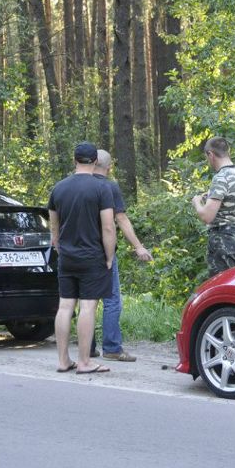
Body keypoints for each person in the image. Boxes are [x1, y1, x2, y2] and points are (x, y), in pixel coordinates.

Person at [47, 141, 116, 374]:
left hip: (67, 257)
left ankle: (63, 360)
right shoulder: (101, 188)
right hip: (92, 256)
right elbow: (108, 227)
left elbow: (54, 228)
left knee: (65, 305)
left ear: (74, 160)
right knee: (88, 307)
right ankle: (85, 362)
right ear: (95, 161)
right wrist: (109, 257)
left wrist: (60, 248)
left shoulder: (58, 188)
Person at [93, 149, 153, 362]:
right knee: (111, 300)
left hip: (80, 251)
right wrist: (138, 247)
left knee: (88, 301)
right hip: (104, 251)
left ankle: (87, 348)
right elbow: (120, 220)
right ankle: (111, 347)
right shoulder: (109, 187)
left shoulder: (78, 185)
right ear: (109, 168)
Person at [190, 136, 235, 277]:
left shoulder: (220, 178)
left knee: (220, 284)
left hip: (223, 240)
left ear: (210, 154)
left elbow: (207, 217)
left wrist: (197, 202)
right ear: (227, 151)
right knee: (234, 282)